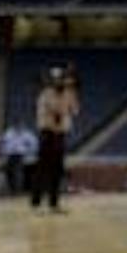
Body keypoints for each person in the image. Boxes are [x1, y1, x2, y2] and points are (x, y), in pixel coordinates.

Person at [31, 64, 80, 213]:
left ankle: (54, 203)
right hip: (47, 133)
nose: (63, 82)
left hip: (60, 135)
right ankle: (36, 204)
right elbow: (55, 112)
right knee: (42, 170)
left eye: (63, 79)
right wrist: (64, 104)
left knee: (57, 171)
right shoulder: (45, 94)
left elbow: (75, 111)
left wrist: (73, 93)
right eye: (60, 79)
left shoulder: (69, 94)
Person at [0, 121, 34, 195]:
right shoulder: (9, 133)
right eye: (16, 126)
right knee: (9, 172)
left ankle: (17, 189)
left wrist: (28, 151)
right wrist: (3, 152)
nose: (18, 127)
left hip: (20, 155)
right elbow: (3, 143)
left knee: (18, 172)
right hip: (10, 155)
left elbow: (33, 143)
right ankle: (11, 188)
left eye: (20, 126)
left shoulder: (26, 134)